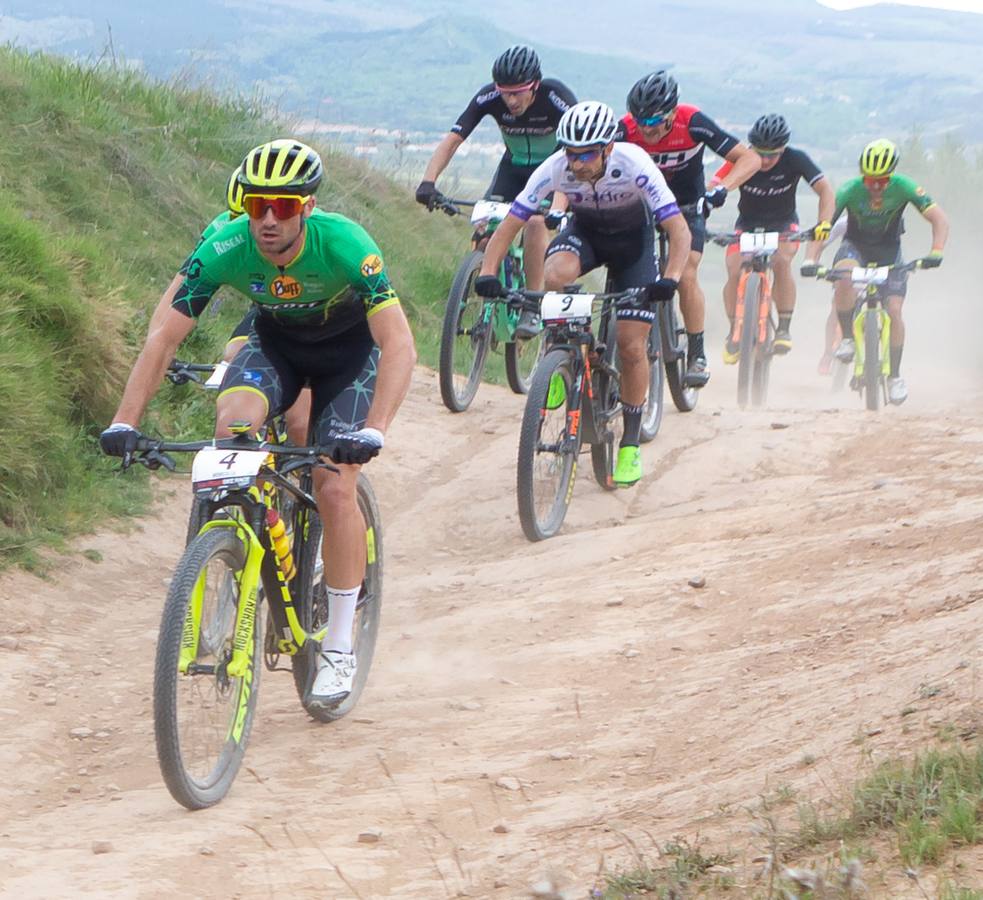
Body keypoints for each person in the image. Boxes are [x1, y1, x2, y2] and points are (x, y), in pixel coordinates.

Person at [100, 139, 417, 705]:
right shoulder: (225, 244)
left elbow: (398, 343)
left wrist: (374, 429)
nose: (268, 220)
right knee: (234, 423)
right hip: (277, 345)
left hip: (349, 356)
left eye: (284, 207)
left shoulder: (345, 243)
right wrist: (125, 421)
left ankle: (339, 645)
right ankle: (232, 547)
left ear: (308, 208)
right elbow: (164, 336)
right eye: (256, 206)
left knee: (333, 487)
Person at [474, 101, 690, 487]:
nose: (577, 163)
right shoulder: (555, 167)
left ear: (608, 148)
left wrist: (671, 278)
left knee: (630, 346)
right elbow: (512, 224)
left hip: (633, 249)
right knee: (554, 275)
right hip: (587, 235)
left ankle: (629, 444)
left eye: (587, 154)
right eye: (571, 153)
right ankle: (566, 353)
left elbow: (678, 230)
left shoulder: (636, 163)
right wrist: (488, 273)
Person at [415, 45, 576, 330]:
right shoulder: (489, 96)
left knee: (536, 224)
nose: (511, 100)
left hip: (553, 174)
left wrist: (558, 207)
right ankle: (486, 298)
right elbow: (454, 138)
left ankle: (532, 304)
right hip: (512, 170)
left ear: (535, 85)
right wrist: (428, 181)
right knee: (484, 234)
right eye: (505, 92)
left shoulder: (555, 97)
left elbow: (573, 154)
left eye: (518, 92)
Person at [617, 70, 761, 387]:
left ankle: (696, 353)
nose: (646, 129)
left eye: (654, 122)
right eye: (640, 121)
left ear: (671, 114)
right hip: (642, 204)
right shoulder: (625, 129)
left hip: (686, 203)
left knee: (687, 273)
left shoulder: (692, 121)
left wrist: (723, 188)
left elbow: (749, 159)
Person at [803, 138, 948, 405]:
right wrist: (810, 259)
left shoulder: (904, 187)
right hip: (855, 247)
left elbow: (938, 217)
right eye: (871, 181)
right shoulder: (849, 190)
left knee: (894, 311)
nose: (877, 187)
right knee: (844, 278)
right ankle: (846, 338)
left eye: (882, 181)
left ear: (892, 175)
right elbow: (823, 228)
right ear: (863, 176)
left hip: (889, 253)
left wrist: (936, 251)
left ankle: (894, 376)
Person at [710, 114, 834, 361]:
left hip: (784, 225)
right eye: (760, 153)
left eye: (773, 154)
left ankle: (784, 328)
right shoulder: (743, 158)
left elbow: (825, 190)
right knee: (734, 270)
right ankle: (735, 329)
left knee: (781, 261)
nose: (765, 160)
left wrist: (824, 224)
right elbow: (714, 184)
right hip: (747, 225)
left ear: (783, 149)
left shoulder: (796, 159)